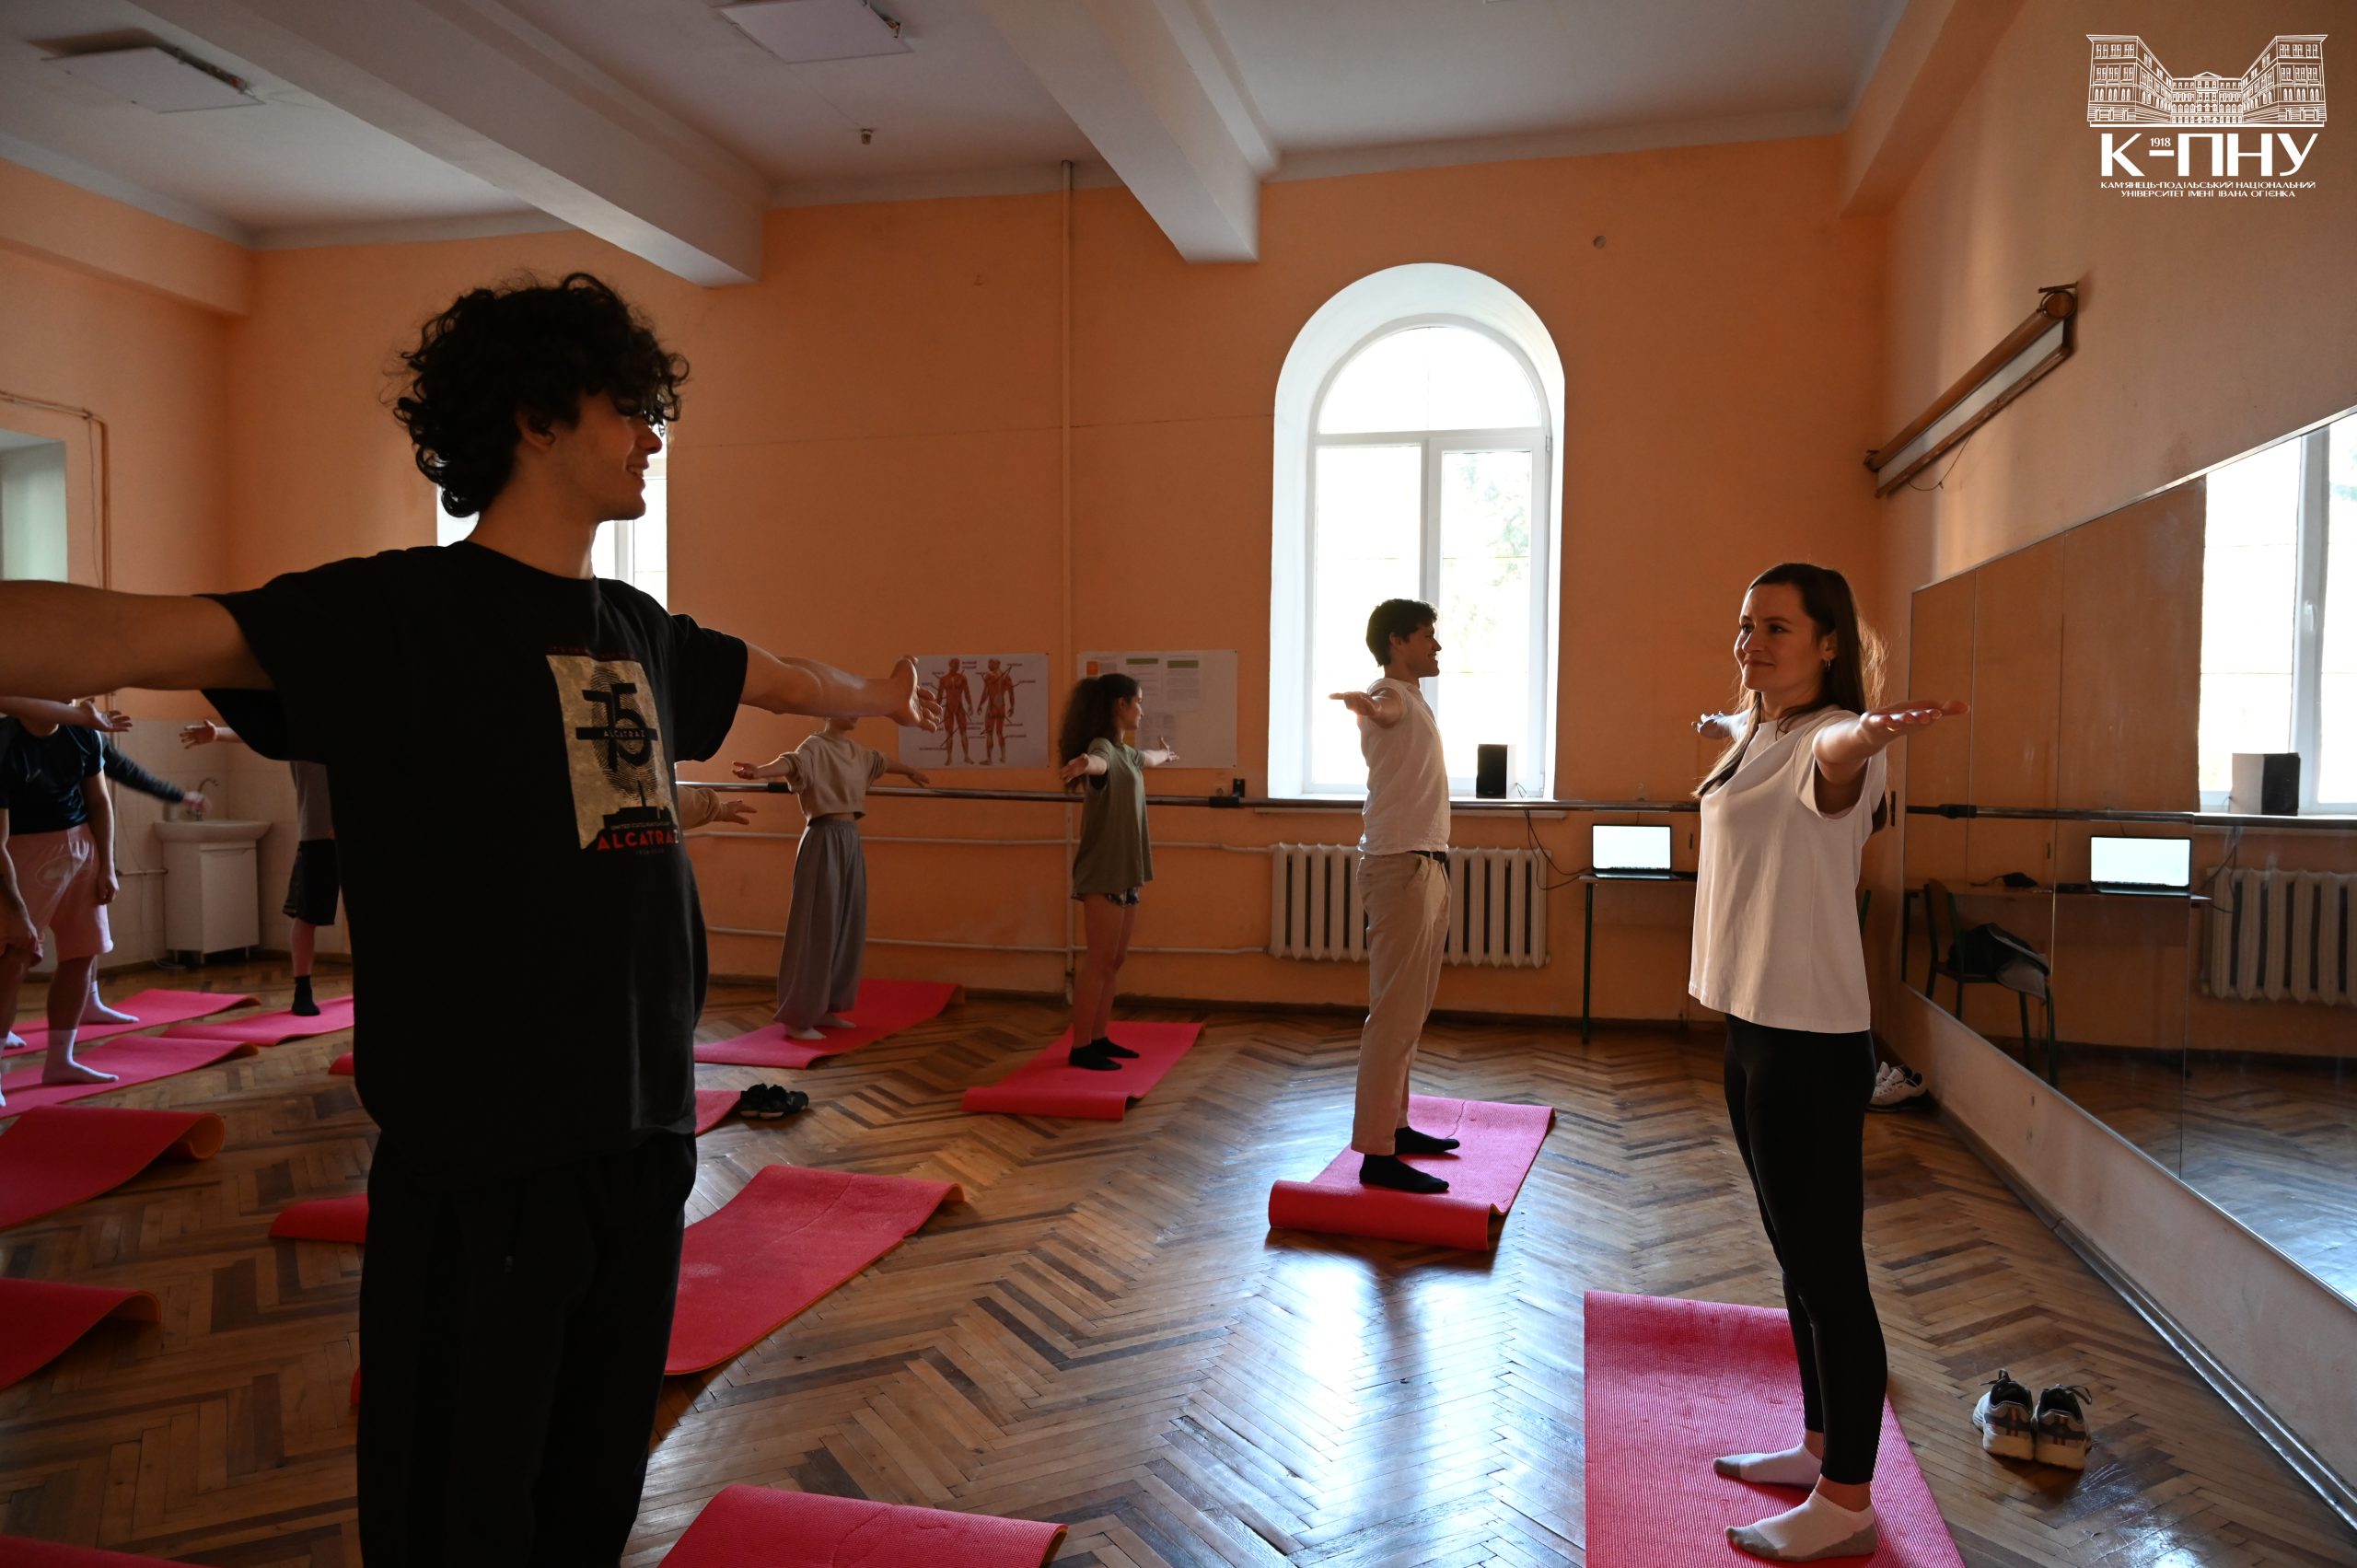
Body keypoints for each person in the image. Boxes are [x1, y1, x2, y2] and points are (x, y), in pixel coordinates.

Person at [0, 271, 940, 1565]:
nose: (651, 436)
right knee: (460, 1513)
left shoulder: (638, 629)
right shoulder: (397, 616)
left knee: (590, 1493)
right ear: (536, 416)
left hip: (643, 1134)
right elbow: (140, 635)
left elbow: (783, 678)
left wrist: (879, 695)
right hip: (486, 1161)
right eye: (627, 408)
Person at [1690, 563, 1963, 1562]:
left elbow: (1837, 758)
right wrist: (1724, 726)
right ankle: (1816, 1446)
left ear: (1828, 641)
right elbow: (1750, 732)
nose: (1751, 642)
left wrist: (1869, 733)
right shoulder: (1760, 730)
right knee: (1792, 1254)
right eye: (1744, 624)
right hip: (1751, 1027)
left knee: (1829, 1271)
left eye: (1776, 627)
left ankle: (1848, 1500)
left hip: (1809, 1043)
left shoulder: (1832, 737)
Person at [1329, 599, 1462, 1194]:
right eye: (1427, 635)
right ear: (1397, 642)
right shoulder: (1389, 694)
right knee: (1392, 1015)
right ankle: (1375, 1153)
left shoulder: (1414, 698)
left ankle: (1396, 1126)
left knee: (1411, 1009)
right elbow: (1380, 710)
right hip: (1401, 866)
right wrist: (1366, 705)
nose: (1437, 645)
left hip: (1424, 863)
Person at [730, 719, 928, 1040]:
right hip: (823, 837)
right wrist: (761, 771)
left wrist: (909, 771)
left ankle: (824, 1007)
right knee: (816, 924)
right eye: (848, 706)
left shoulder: (855, 751)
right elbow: (791, 763)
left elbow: (880, 761)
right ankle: (798, 1017)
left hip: (850, 837)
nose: (855, 715)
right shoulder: (814, 747)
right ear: (830, 710)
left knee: (847, 922)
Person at [0, 697, 127, 1100]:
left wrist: (107, 865)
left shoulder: (83, 734)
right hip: (22, 851)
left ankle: (61, 1060)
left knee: (83, 951)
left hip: (81, 848)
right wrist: (16, 908)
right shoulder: (5, 742)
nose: (71, 699)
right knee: (14, 957)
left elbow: (99, 802)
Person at [180, 722, 343, 1016]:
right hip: (318, 833)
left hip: (358, 832)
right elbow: (262, 733)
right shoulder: (299, 727)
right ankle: (302, 990)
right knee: (307, 915)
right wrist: (217, 734)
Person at [1056, 673, 1176, 1071]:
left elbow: (1149, 759)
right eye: (1138, 702)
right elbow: (1099, 762)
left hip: (1127, 870)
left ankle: (1100, 1036)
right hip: (1103, 871)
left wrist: (1166, 754)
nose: (1142, 709)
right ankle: (1081, 1047)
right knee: (1099, 960)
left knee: (1114, 960)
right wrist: (1084, 764)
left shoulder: (1128, 754)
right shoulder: (1103, 748)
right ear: (1120, 705)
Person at [934, 656, 974, 765]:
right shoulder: (944, 679)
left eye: (958, 665)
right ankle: (949, 758)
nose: (957, 667)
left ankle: (966, 756)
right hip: (949, 708)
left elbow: (967, 692)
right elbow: (940, 694)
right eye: (955, 664)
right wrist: (936, 708)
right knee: (949, 734)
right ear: (950, 665)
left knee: (963, 732)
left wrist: (970, 705)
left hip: (960, 707)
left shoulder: (962, 678)